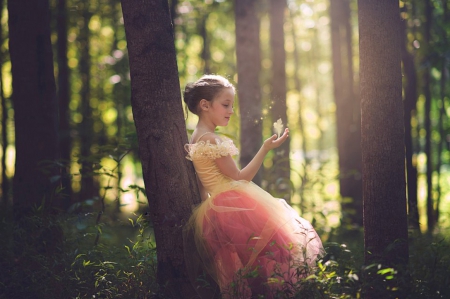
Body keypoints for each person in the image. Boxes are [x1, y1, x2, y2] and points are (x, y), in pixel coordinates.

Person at [183, 74, 324, 298]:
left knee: (249, 262)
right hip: (233, 205)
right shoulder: (212, 140)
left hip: (216, 207)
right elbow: (240, 177)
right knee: (271, 256)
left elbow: (202, 183)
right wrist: (265, 148)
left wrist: (205, 213)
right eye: (226, 105)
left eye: (232, 105)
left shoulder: (195, 137)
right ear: (205, 105)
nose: (230, 111)